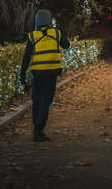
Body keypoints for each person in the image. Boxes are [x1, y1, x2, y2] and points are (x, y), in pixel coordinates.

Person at [20, 9, 70, 142]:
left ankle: (36, 126)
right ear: (49, 20)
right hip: (51, 73)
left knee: (36, 99)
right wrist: (60, 31)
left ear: (36, 21)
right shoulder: (56, 33)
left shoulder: (33, 36)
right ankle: (38, 129)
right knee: (46, 100)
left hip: (37, 73)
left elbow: (26, 58)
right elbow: (66, 45)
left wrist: (22, 75)